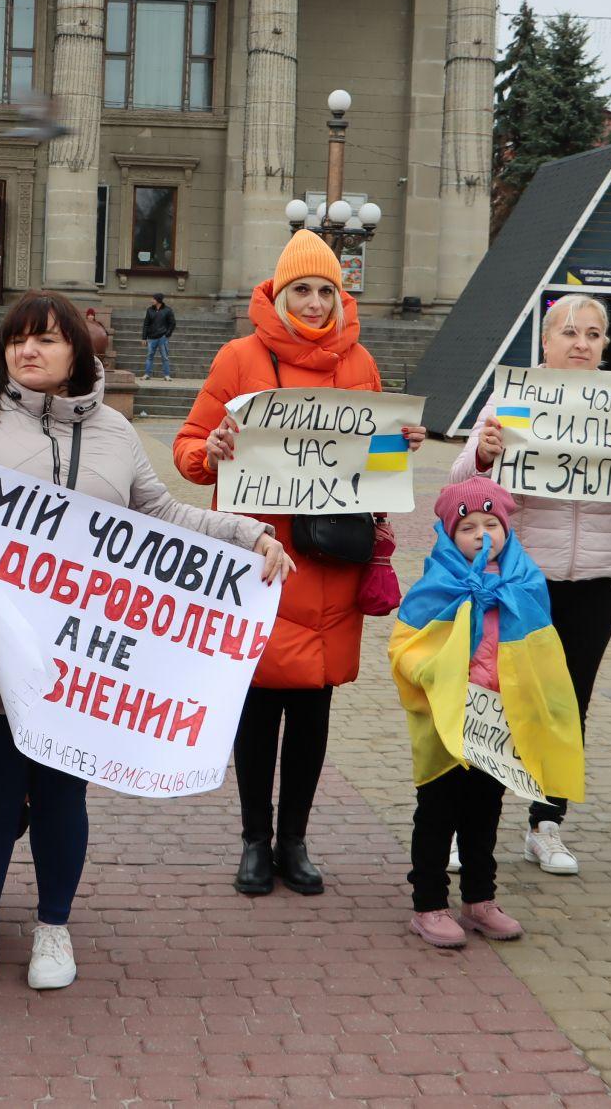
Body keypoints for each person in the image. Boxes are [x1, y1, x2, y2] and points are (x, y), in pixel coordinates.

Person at [0, 291, 289, 1000]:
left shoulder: (115, 432)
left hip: (80, 663)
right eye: (17, 340)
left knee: (61, 794)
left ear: (77, 352)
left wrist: (247, 535)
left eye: (46, 340)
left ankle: (54, 924)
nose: (28, 351)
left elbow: (160, 514)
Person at [173, 230, 424, 896]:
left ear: (340, 298)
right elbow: (189, 446)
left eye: (325, 291)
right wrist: (215, 449)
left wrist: (401, 445)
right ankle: (256, 841)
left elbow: (375, 463)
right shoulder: (238, 357)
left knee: (313, 712)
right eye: (301, 290)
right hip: (261, 564)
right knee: (257, 711)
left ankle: (296, 841)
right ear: (278, 295)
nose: (314, 303)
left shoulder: (361, 362)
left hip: (333, 565)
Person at [451, 292, 611, 876]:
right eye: (569, 333)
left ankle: (546, 823)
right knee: (496, 699)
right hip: (519, 579)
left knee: (567, 706)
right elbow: (461, 489)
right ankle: (470, 827)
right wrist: (484, 458)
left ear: (605, 345)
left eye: (592, 334)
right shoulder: (511, 399)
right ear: (545, 342)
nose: (581, 343)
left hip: (597, 578)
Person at [392, 479, 577, 949]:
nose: (482, 534)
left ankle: (479, 899)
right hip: (448, 719)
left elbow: (541, 649)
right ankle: (428, 903)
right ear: (449, 532)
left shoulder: (525, 579)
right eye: (468, 526)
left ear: (506, 528)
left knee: (484, 810)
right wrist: (434, 675)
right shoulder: (438, 583)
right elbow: (405, 648)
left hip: (499, 720)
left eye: (491, 524)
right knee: (436, 810)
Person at [140, 293, 176, 379]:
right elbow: (146, 324)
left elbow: (172, 323)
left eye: (153, 299)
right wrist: (144, 338)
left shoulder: (168, 310)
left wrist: (167, 334)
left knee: (165, 357)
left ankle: (167, 375)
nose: (151, 300)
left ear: (158, 300)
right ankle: (147, 374)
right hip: (151, 338)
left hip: (162, 338)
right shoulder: (149, 310)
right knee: (149, 356)